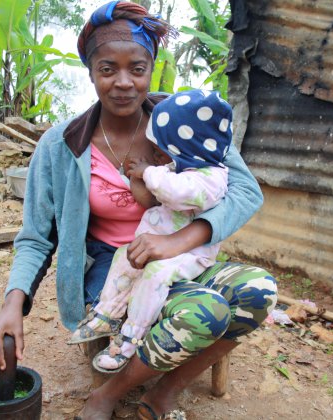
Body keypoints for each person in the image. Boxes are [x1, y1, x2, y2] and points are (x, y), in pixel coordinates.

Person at [0, 2, 278, 419]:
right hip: (112, 268)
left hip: (184, 253)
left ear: (151, 68)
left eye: (136, 69)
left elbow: (246, 191)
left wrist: (176, 241)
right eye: (107, 69)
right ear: (90, 71)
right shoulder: (61, 144)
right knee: (207, 312)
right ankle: (107, 394)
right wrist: (13, 303)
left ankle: (164, 391)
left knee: (258, 291)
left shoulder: (185, 122)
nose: (123, 83)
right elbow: (36, 235)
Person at [68, 89, 234, 373]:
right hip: (156, 246)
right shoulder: (182, 166)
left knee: (155, 274)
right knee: (124, 255)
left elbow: (176, 191)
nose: (160, 154)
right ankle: (107, 312)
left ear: (187, 146)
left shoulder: (210, 178)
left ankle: (129, 338)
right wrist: (142, 175)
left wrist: (147, 172)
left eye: (166, 147)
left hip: (190, 254)